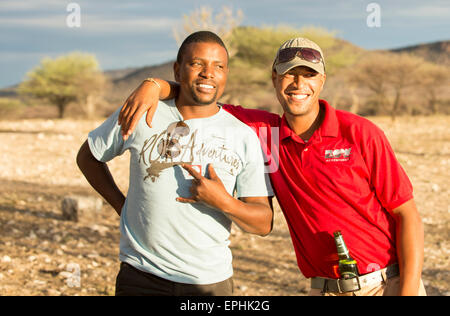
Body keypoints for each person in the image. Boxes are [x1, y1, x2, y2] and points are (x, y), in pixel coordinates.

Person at [118, 36, 427, 296]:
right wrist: (155, 85)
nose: (298, 83)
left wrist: (408, 290)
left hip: (387, 284)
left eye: (308, 75)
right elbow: (201, 95)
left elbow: (406, 213)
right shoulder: (266, 133)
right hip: (324, 288)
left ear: (322, 81)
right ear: (275, 79)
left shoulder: (359, 133)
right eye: (289, 74)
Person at [76, 31, 273, 296]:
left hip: (208, 283)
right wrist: (121, 207)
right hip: (141, 274)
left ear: (226, 74)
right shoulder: (143, 110)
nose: (208, 73)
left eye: (219, 66)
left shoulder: (243, 136)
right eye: (197, 64)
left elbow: (263, 223)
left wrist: (224, 202)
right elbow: (89, 156)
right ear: (177, 70)